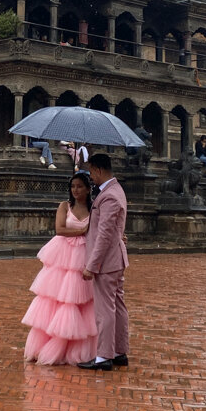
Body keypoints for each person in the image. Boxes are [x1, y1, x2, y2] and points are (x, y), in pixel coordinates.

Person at [22, 173, 97, 365]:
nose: (76, 190)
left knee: (82, 300)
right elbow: (60, 229)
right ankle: (50, 345)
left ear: (88, 189)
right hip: (63, 254)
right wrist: (82, 231)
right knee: (57, 299)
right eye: (73, 186)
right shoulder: (65, 206)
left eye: (80, 186)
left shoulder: (94, 208)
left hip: (84, 254)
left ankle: (76, 349)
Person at [78, 153, 129, 371]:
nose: (91, 177)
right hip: (115, 259)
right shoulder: (115, 190)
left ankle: (104, 355)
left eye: (91, 172)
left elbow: (104, 235)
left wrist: (92, 265)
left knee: (105, 309)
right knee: (117, 306)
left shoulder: (109, 196)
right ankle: (119, 351)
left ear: (98, 170)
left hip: (106, 261)